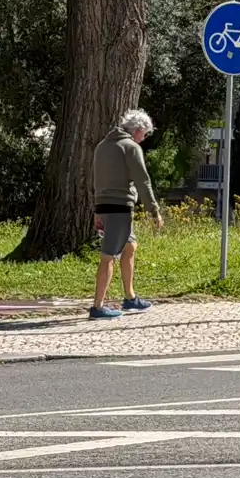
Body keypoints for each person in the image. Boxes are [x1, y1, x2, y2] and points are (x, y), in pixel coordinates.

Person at [90, 108, 164, 321]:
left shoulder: (102, 146)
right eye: (145, 134)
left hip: (104, 205)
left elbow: (95, 179)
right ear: (138, 130)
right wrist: (154, 211)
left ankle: (130, 297)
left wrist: (97, 208)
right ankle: (98, 306)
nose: (144, 138)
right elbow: (143, 180)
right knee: (108, 257)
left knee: (130, 246)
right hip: (119, 206)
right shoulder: (130, 147)